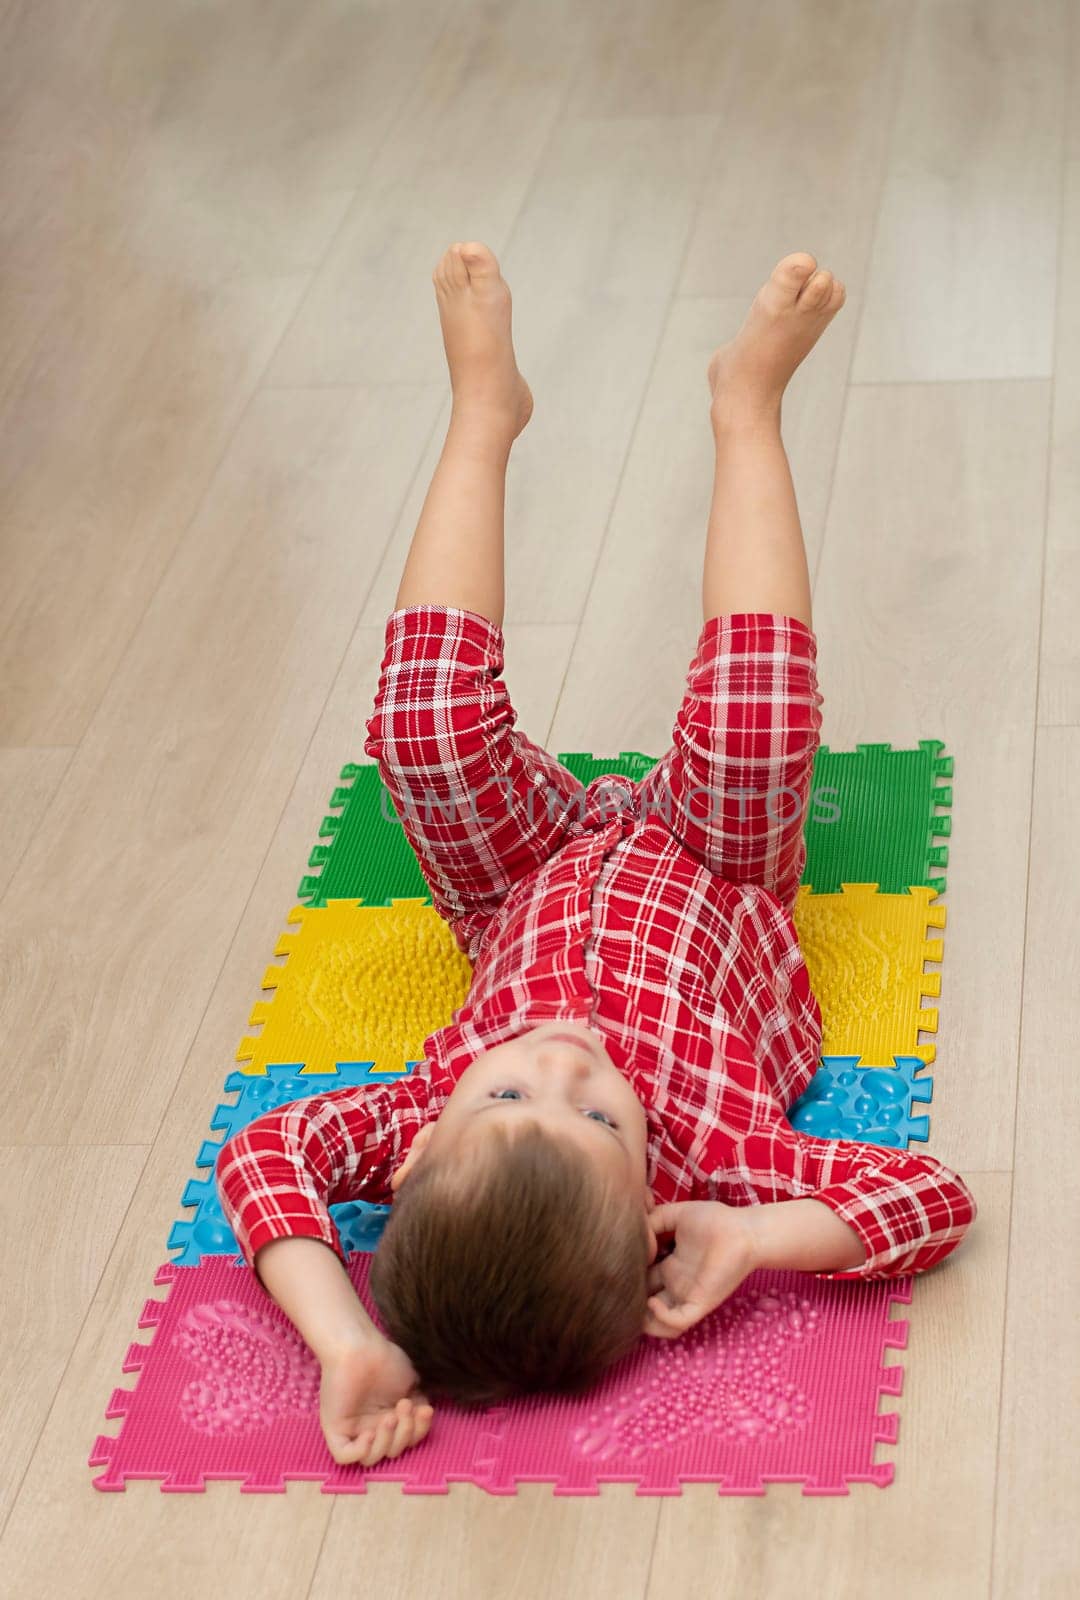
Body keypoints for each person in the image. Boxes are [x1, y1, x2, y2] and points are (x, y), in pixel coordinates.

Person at [215, 242, 976, 1469]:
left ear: (414, 1149)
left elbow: (264, 1157)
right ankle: (746, 406)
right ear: (651, 1209)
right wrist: (760, 1237)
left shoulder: (409, 1114)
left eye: (507, 1094)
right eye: (600, 1121)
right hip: (713, 872)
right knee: (759, 717)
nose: (559, 1066)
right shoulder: (726, 1164)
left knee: (417, 726)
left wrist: (345, 1339)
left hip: (519, 880)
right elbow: (932, 1200)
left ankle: (481, 412)